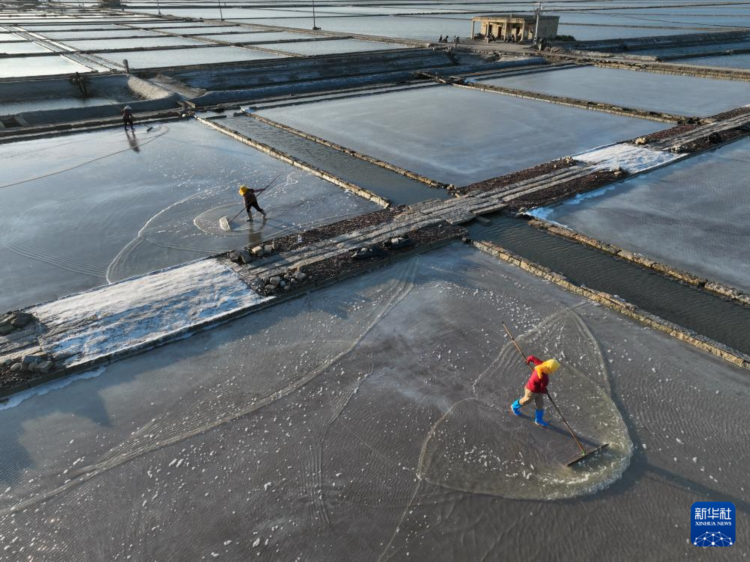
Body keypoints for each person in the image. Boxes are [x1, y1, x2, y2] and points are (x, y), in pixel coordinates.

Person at [510, 355, 560, 427]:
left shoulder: (541, 364)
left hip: (538, 390)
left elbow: (531, 357)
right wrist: (545, 391)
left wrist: (528, 361)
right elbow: (542, 389)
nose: (555, 370)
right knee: (526, 401)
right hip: (531, 390)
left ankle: (538, 420)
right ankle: (514, 406)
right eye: (555, 369)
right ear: (550, 369)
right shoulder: (545, 378)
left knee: (540, 404)